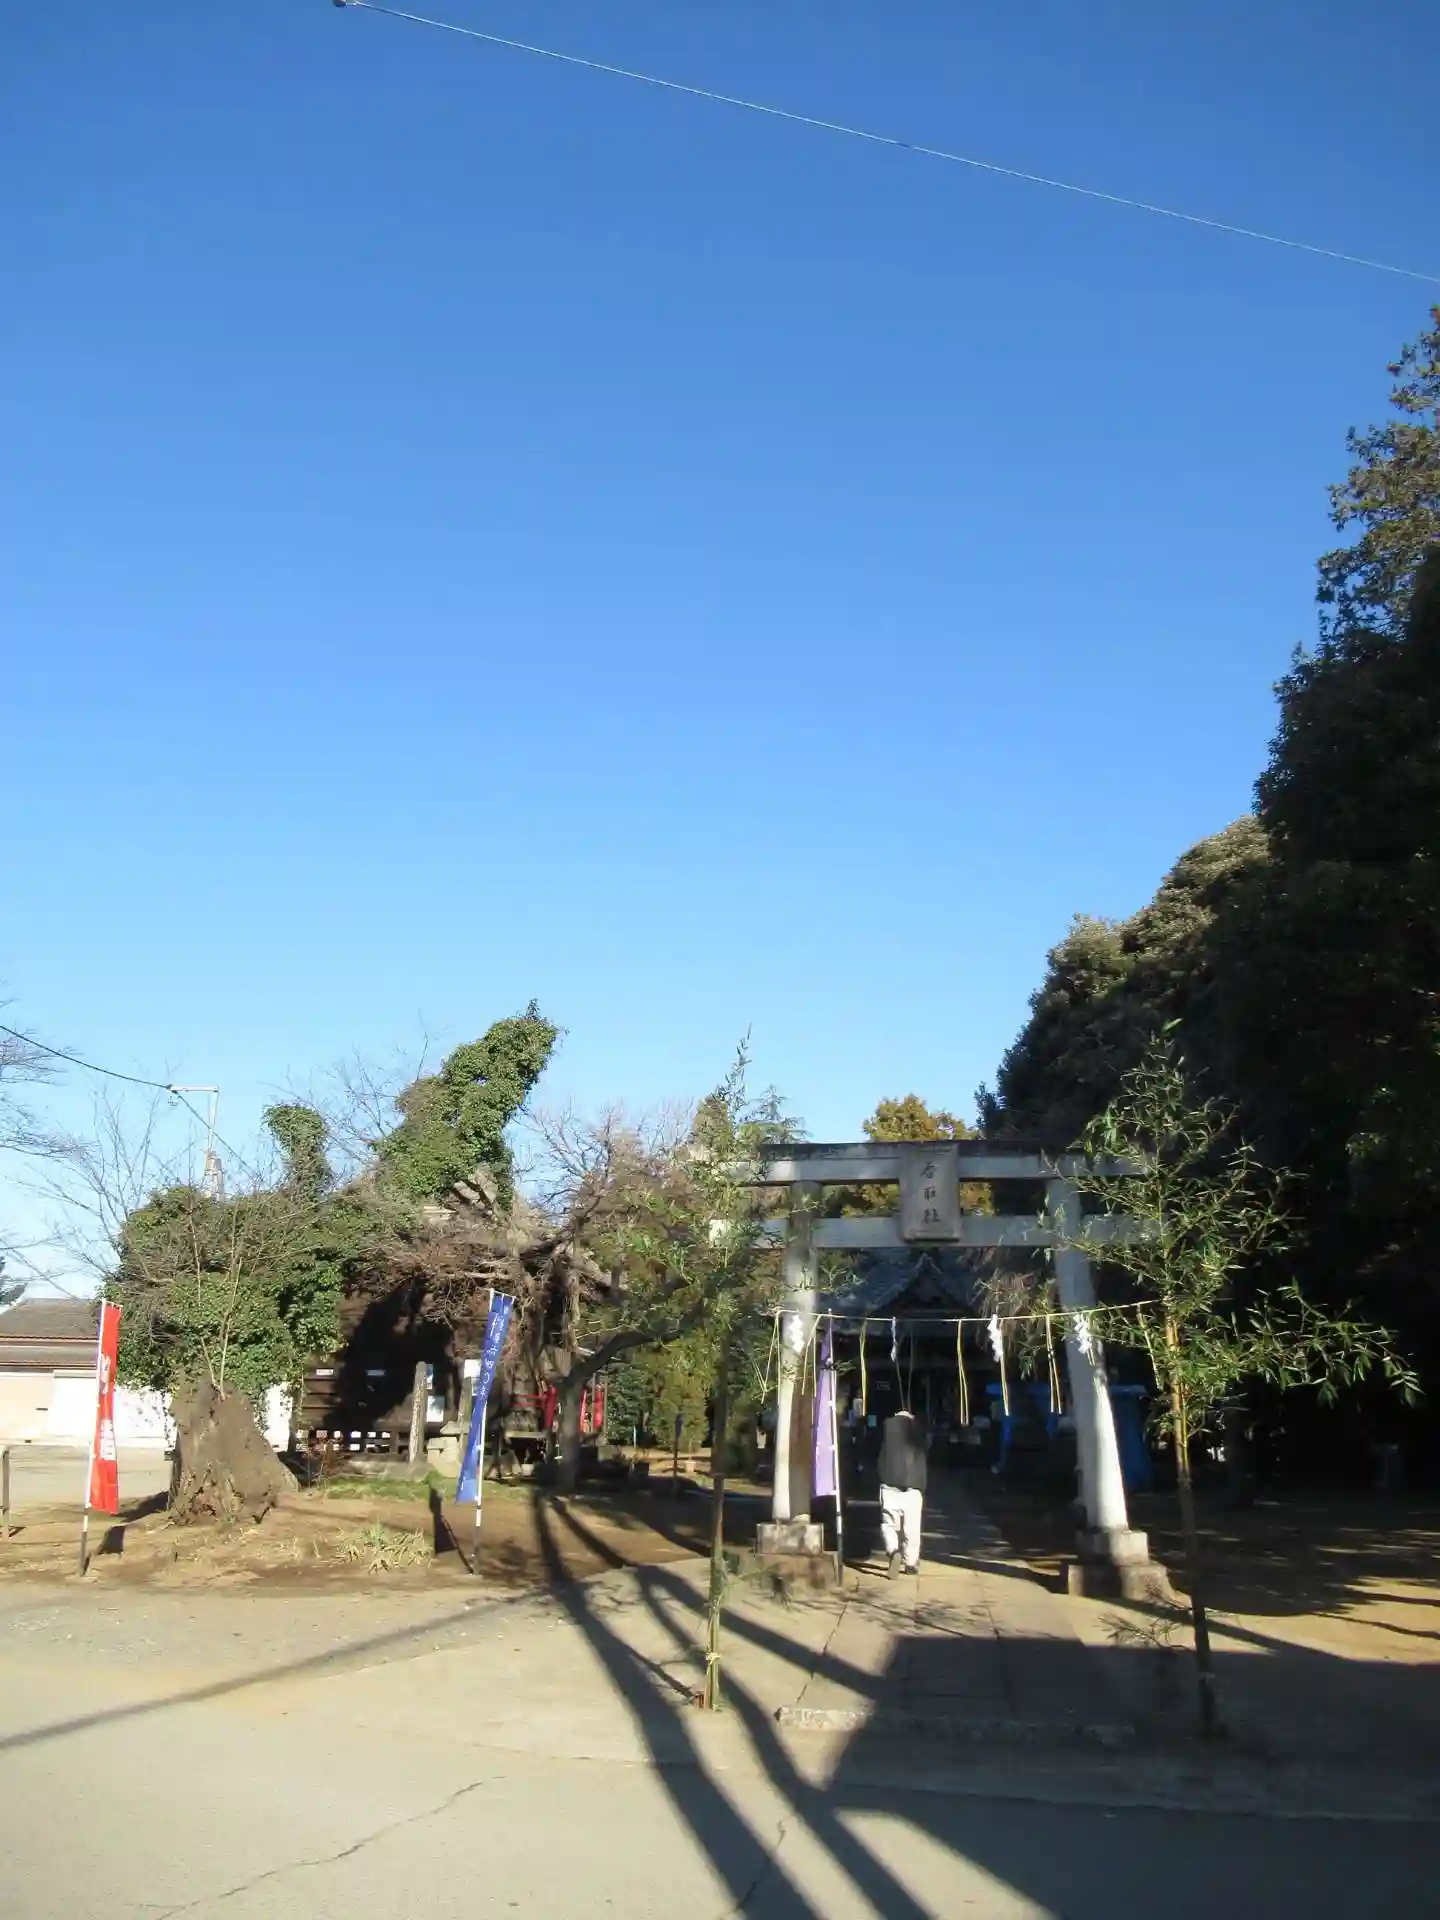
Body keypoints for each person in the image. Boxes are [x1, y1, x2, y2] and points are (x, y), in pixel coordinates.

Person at [878, 1409, 927, 1578]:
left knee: (888, 1524)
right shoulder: (918, 1430)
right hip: (913, 1486)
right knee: (912, 1529)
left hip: (889, 1484)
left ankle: (893, 1551)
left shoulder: (886, 1428)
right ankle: (911, 1563)